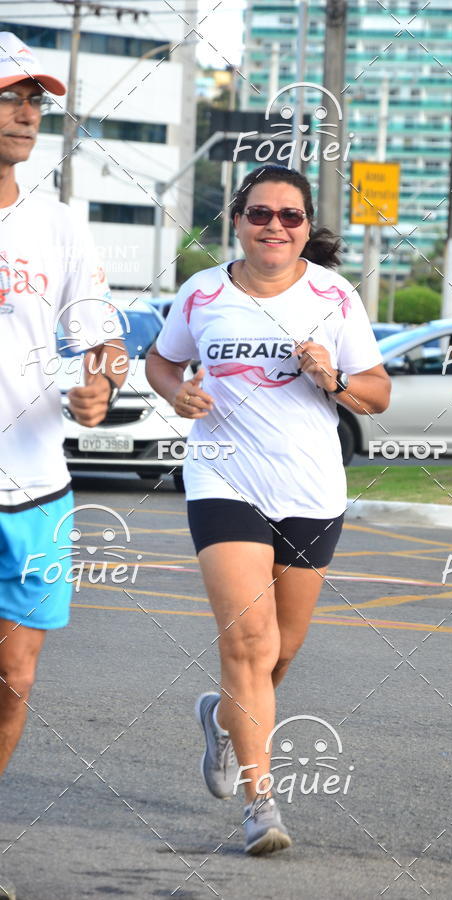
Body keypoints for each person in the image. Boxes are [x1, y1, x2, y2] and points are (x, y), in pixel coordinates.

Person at [146, 163, 390, 855]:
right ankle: (263, 806)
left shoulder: (334, 295)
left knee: (281, 651)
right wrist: (176, 394)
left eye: (290, 216)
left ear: (307, 227)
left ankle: (224, 720)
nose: (274, 227)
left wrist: (334, 377)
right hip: (225, 478)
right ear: (238, 221)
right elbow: (161, 362)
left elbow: (377, 394)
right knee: (248, 645)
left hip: (311, 487)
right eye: (260, 214)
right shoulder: (201, 293)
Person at [0, 33, 129, 900]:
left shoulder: (59, 223)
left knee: (15, 679)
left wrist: (102, 385)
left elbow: (105, 337)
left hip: (37, 489)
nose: (25, 112)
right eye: (10, 95)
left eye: (35, 99)